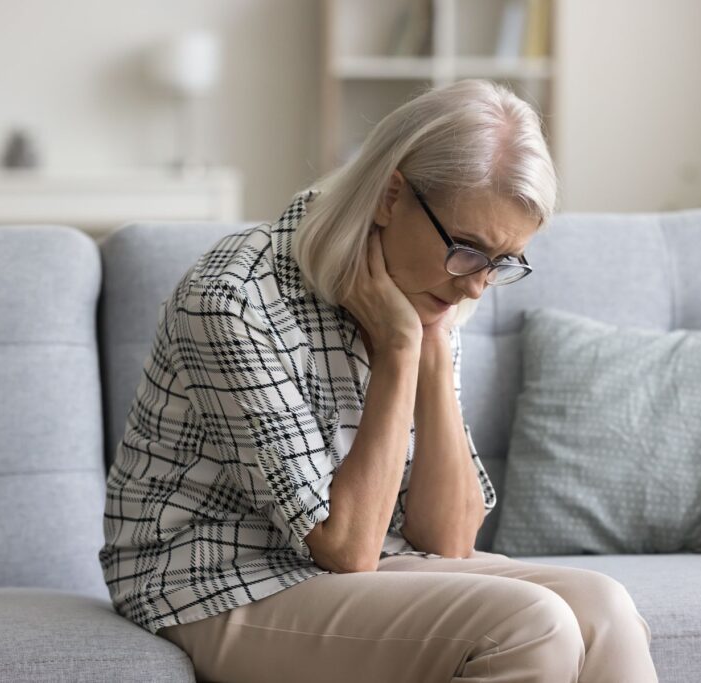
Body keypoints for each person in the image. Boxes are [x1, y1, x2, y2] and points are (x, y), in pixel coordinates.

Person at [99, 78, 658, 682]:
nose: (476, 286)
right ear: (392, 196)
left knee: (606, 609)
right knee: (530, 625)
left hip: (365, 566)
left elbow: (446, 540)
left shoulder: (435, 286)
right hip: (213, 578)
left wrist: (433, 347)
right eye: (469, 250)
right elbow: (345, 547)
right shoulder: (231, 300)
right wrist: (397, 349)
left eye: (501, 263)